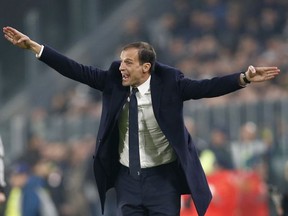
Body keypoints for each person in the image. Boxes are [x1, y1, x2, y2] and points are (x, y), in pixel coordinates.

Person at [2, 26, 280, 216]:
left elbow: (206, 87)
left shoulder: (171, 82)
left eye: (128, 63)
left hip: (163, 179)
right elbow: (76, 70)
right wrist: (36, 48)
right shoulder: (113, 80)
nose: (121, 67)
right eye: (121, 61)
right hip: (127, 179)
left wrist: (243, 78)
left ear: (146, 67)